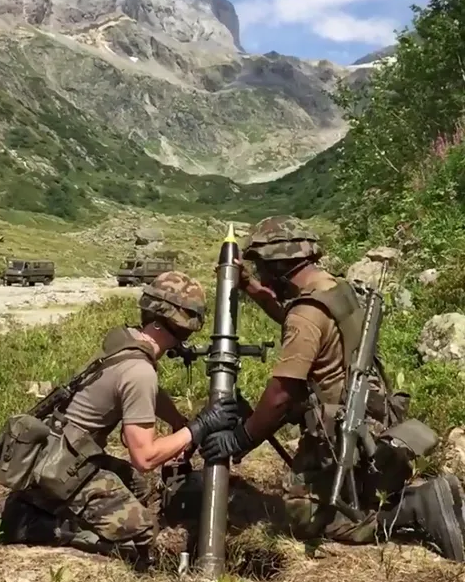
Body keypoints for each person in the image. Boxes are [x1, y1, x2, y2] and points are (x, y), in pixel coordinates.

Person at [199, 216, 465, 562]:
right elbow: (295, 315)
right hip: (369, 414)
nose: (262, 276)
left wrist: (240, 439)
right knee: (353, 490)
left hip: (340, 431)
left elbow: (282, 394)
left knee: (304, 517)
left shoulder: (306, 316)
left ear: (281, 266)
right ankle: (410, 495)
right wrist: (251, 287)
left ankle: (414, 507)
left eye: (263, 269)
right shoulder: (334, 290)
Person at [0, 271, 239, 567]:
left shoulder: (126, 343)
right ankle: (39, 525)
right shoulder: (140, 372)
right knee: (140, 534)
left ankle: (45, 507)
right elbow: (145, 457)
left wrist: (177, 422)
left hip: (60, 453)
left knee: (141, 487)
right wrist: (197, 428)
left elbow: (145, 393)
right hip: (62, 469)